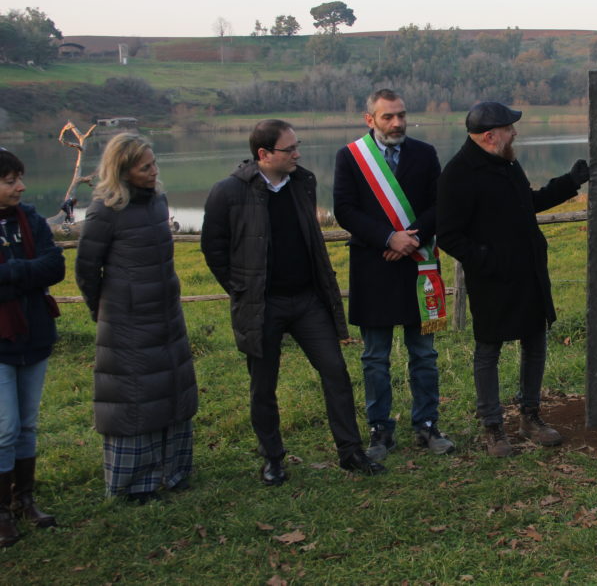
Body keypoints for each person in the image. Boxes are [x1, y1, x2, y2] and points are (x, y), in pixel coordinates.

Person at [201, 119, 384, 485]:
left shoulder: (304, 182)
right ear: (263, 155)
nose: (297, 154)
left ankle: (350, 452)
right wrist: (241, 289)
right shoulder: (228, 192)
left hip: (306, 301)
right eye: (289, 149)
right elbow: (213, 248)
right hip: (263, 306)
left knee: (335, 372)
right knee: (263, 386)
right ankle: (273, 459)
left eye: (297, 146)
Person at [436, 102, 589, 457]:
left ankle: (530, 417)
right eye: (509, 128)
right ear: (490, 136)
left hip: (529, 272)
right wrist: (488, 261)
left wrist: (569, 182)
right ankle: (493, 427)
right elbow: (448, 235)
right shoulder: (458, 174)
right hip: (492, 280)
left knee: (535, 342)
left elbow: (528, 203)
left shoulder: (507, 162)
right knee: (489, 349)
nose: (515, 132)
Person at [75, 134, 198, 504]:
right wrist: (106, 310)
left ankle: (173, 471)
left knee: (171, 390)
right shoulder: (104, 210)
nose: (154, 171)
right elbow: (85, 269)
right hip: (127, 321)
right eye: (145, 167)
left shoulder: (158, 203)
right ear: (122, 170)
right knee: (133, 399)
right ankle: (134, 484)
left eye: (154, 163)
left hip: (165, 313)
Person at [333, 89, 454, 462]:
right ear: (369, 119)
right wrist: (387, 238)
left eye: (401, 115)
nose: (397, 123)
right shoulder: (351, 158)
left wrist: (408, 238)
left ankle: (427, 425)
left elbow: (439, 204)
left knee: (424, 353)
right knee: (374, 357)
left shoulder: (425, 153)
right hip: (374, 268)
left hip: (417, 264)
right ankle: (380, 430)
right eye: (388, 117)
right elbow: (345, 210)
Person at [0, 149, 64, 545]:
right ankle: (1, 511)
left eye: (19, 178)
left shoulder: (32, 221)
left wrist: (10, 273)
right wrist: (27, 273)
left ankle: (25, 499)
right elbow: (39, 269)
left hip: (34, 337)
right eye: (10, 180)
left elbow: (54, 267)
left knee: (27, 425)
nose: (20, 186)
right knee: (4, 429)